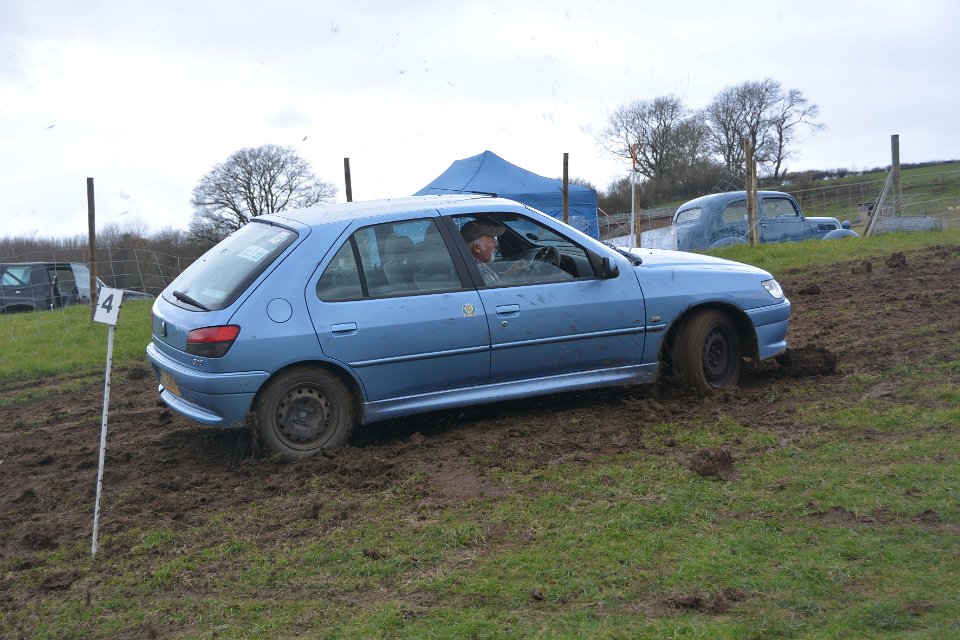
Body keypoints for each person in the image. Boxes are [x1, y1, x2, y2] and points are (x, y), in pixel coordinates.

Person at [460, 220, 508, 285]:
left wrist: (509, 273)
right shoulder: (475, 270)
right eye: (492, 239)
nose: (496, 244)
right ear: (477, 248)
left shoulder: (469, 264)